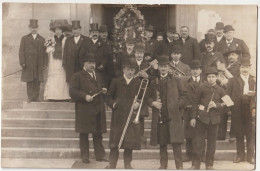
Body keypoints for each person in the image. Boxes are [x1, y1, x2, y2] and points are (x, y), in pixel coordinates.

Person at [148, 55, 188, 169]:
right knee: (162, 144)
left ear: (169, 68)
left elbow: (185, 96)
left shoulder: (176, 80)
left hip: (174, 117)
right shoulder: (153, 81)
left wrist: (176, 106)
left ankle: (179, 166)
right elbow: (147, 98)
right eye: (161, 66)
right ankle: (163, 166)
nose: (163, 68)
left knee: (176, 144)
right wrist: (153, 103)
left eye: (165, 66)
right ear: (158, 68)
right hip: (161, 118)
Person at [105, 58, 144, 169]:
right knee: (115, 143)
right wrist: (113, 104)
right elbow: (108, 97)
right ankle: (112, 164)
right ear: (123, 69)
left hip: (131, 116)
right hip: (118, 117)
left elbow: (142, 98)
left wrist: (138, 104)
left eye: (132, 70)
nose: (130, 72)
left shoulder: (137, 83)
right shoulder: (116, 81)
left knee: (129, 143)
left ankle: (128, 164)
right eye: (128, 69)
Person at [69, 53, 108, 163]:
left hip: (98, 107)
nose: (92, 65)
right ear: (84, 64)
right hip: (84, 109)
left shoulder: (99, 75)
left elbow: (100, 88)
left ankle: (100, 156)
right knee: (84, 133)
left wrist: (104, 90)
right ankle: (85, 156)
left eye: (93, 63)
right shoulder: (77, 76)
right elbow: (72, 91)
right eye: (89, 63)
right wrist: (84, 96)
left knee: (98, 133)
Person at [189, 67, 226, 170]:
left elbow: (229, 103)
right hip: (201, 119)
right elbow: (195, 102)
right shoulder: (201, 88)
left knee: (211, 144)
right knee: (198, 143)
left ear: (217, 77)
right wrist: (193, 117)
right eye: (209, 77)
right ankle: (195, 165)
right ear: (206, 78)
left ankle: (209, 165)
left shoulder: (220, 90)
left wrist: (217, 105)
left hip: (214, 121)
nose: (211, 79)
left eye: (213, 77)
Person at [227, 58, 256, 164]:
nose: (245, 69)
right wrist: (231, 109)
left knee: (250, 133)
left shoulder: (254, 80)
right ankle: (240, 155)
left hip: (250, 109)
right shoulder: (232, 80)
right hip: (237, 110)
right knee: (239, 133)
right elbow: (227, 96)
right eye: (243, 67)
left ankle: (251, 156)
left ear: (250, 68)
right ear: (239, 68)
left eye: (247, 67)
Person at [183, 60, 205, 164]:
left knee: (201, 133)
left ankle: (202, 155)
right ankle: (189, 155)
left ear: (200, 70)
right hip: (189, 110)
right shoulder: (185, 82)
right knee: (189, 133)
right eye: (193, 69)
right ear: (190, 71)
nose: (195, 71)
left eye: (197, 69)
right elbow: (183, 95)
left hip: (202, 111)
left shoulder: (205, 82)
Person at [19, 19, 47, 103]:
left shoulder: (42, 39)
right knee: (29, 81)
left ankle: (36, 97)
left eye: (35, 27)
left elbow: (45, 53)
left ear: (37, 28)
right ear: (29, 28)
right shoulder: (24, 38)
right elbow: (21, 51)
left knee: (37, 81)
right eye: (32, 27)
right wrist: (23, 62)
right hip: (28, 64)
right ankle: (30, 97)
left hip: (38, 64)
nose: (33, 29)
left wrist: (45, 64)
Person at [44, 19, 70, 101]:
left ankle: (63, 96)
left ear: (62, 30)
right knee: (53, 76)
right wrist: (50, 47)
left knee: (62, 75)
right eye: (56, 29)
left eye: (59, 29)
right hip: (53, 61)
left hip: (62, 60)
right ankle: (52, 96)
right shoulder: (51, 39)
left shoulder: (66, 39)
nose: (58, 31)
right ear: (54, 30)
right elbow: (48, 50)